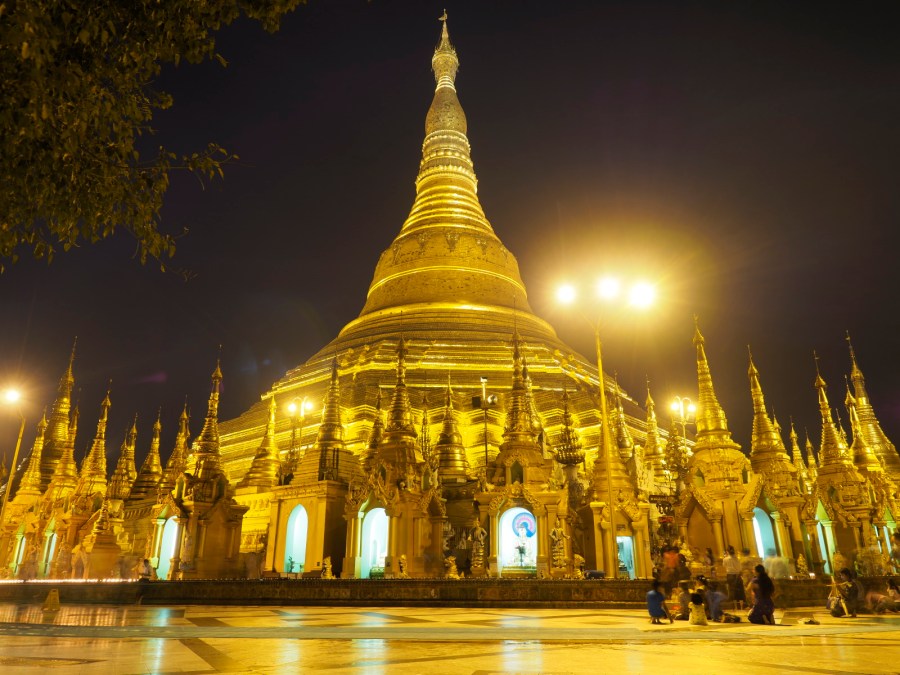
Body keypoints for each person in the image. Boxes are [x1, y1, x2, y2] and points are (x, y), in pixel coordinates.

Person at [723, 545, 745, 610]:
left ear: (727, 551)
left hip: (730, 575)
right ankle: (741, 607)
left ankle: (735, 607)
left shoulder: (725, 559)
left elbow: (724, 567)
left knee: (732, 591)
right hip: (738, 575)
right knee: (740, 591)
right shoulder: (738, 558)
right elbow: (740, 568)